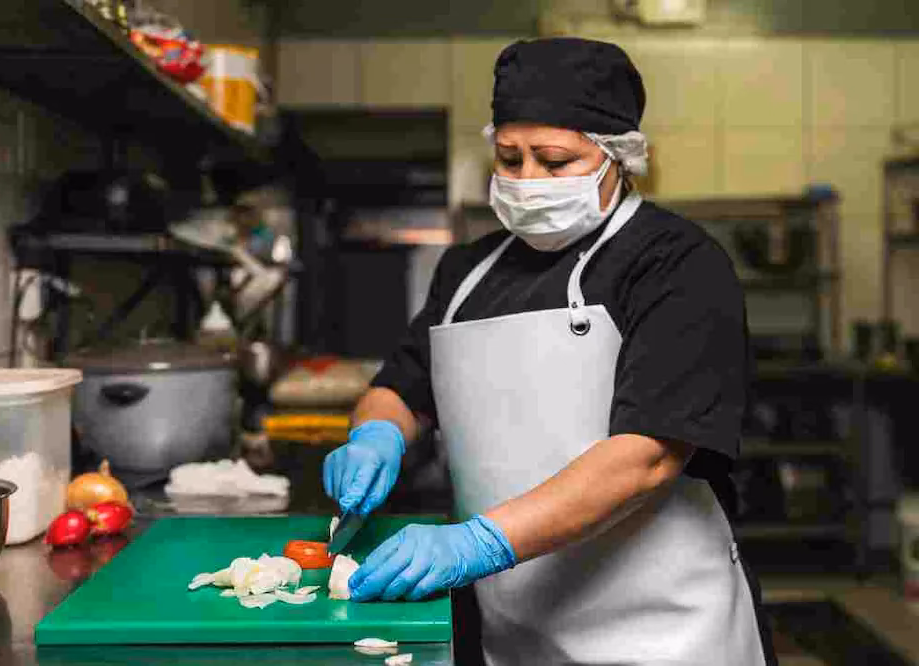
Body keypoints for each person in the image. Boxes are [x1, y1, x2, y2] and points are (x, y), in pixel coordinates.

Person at [322, 38, 777, 665]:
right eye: (509, 159)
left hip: (664, 631)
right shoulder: (467, 269)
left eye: (554, 160)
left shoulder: (676, 263)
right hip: (517, 628)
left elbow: (645, 457)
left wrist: (475, 544)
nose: (527, 181)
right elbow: (401, 387)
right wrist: (376, 437)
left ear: (617, 158)